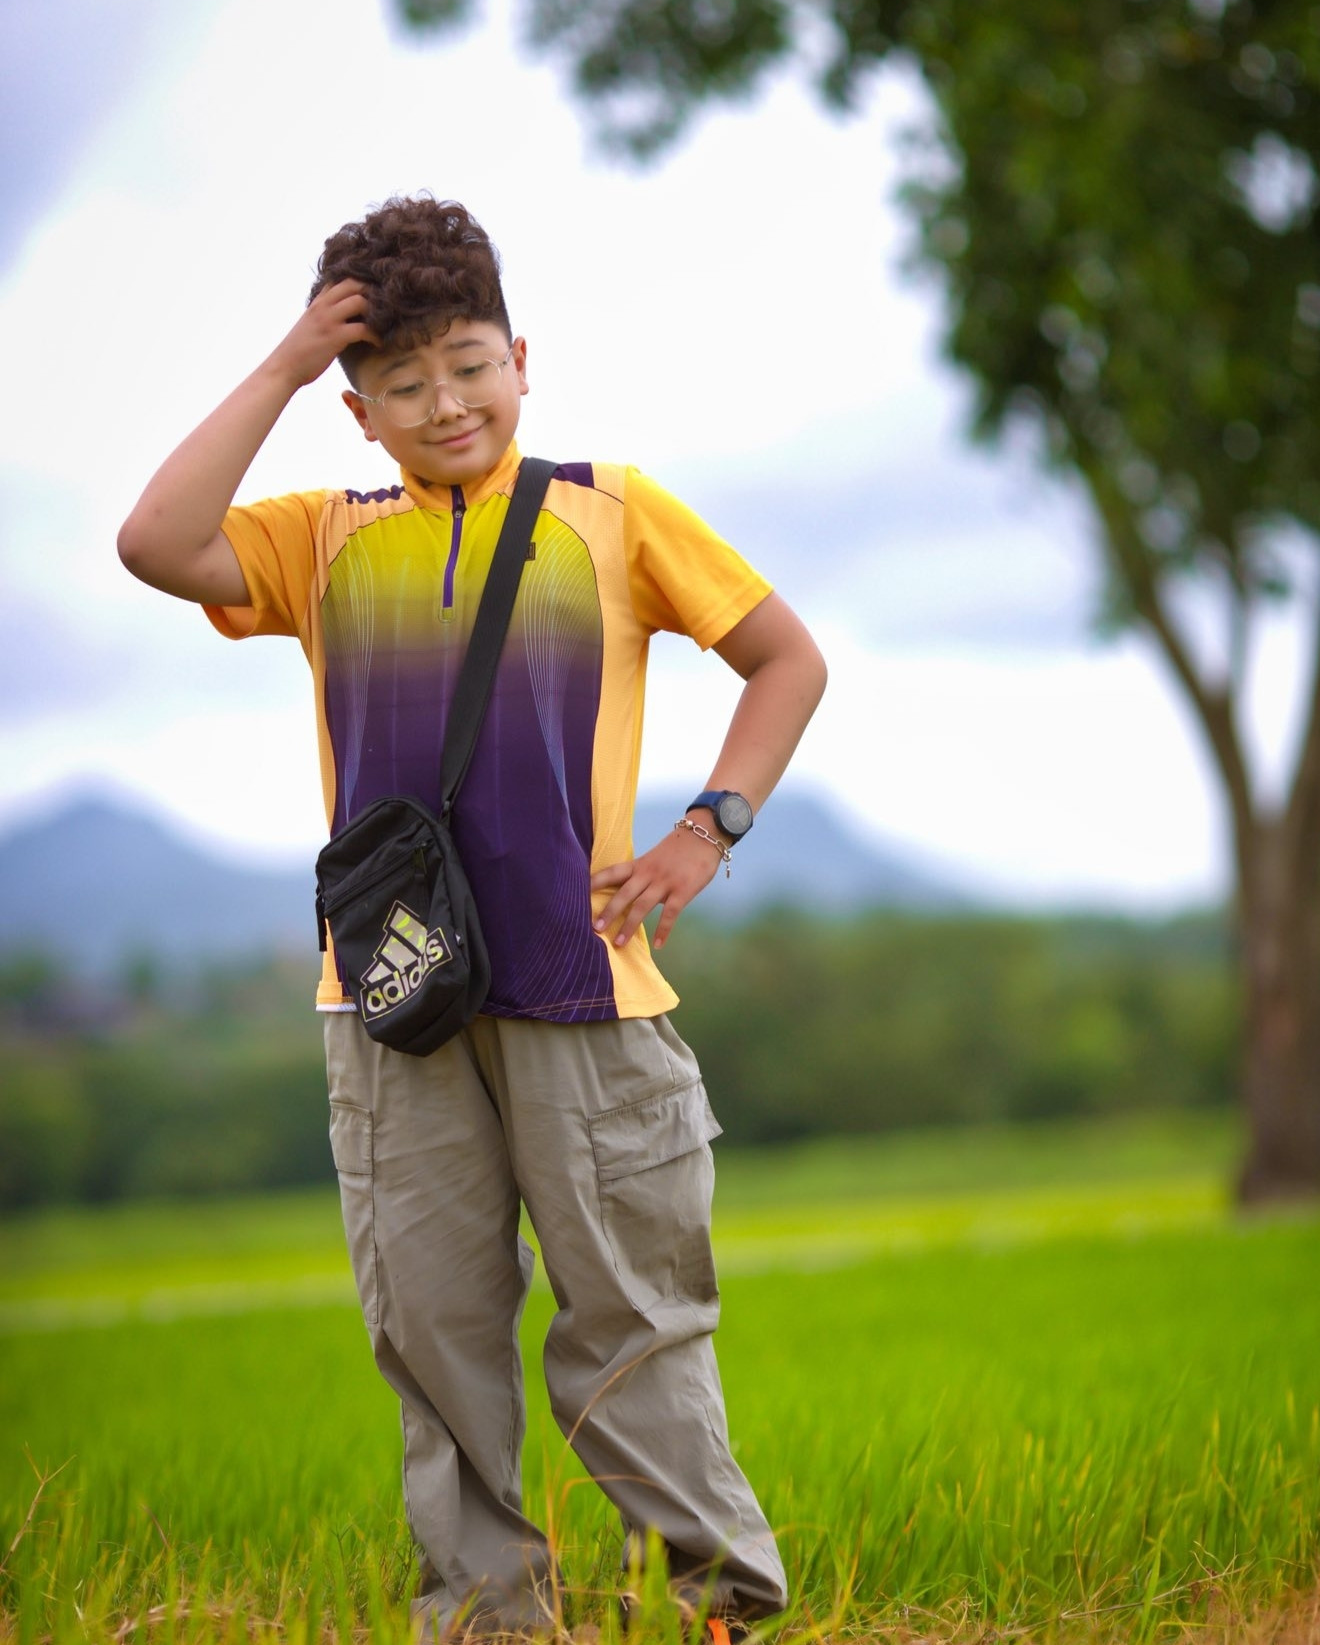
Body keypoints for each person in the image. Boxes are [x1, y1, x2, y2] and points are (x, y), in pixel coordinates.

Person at [118, 196, 827, 1641]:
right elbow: (153, 539)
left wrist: (709, 831)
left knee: (633, 1325)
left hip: (588, 989)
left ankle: (724, 1611)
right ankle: (489, 1619)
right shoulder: (319, 541)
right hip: (392, 1000)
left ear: (521, 357)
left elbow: (784, 659)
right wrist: (281, 359)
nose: (445, 403)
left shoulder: (609, 513)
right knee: (433, 1334)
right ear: (359, 411)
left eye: (468, 366)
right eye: (401, 381)